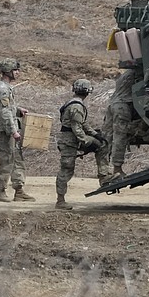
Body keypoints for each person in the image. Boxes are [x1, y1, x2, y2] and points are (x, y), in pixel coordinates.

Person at [55, 79, 109, 210]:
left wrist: (96, 135)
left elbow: (83, 124)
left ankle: (104, 177)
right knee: (66, 169)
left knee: (101, 145)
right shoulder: (77, 106)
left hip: (70, 140)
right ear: (87, 91)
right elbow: (77, 128)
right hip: (70, 141)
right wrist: (85, 141)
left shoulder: (74, 103)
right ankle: (60, 201)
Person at [0, 58, 35, 202]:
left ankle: (19, 190)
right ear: (8, 71)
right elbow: (3, 112)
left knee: (17, 159)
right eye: (15, 70)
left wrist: (18, 110)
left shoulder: (5, 87)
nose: (18, 73)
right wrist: (13, 131)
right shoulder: (3, 89)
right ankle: (1, 191)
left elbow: (8, 109)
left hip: (9, 128)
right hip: (5, 131)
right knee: (5, 160)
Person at [102, 68, 142, 182]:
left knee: (107, 137)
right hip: (123, 105)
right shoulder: (137, 73)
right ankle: (117, 168)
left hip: (113, 104)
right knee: (120, 137)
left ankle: (103, 170)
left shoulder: (126, 73)